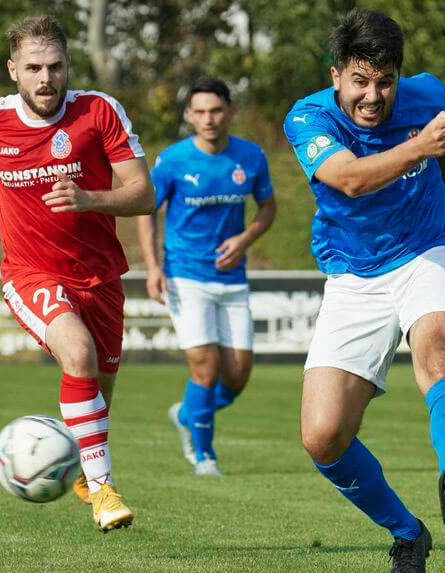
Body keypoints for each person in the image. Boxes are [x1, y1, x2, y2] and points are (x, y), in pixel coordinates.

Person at [0, 15, 152, 532]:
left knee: (97, 391)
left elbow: (143, 193)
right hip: (30, 273)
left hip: (100, 276)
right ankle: (102, 491)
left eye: (55, 66)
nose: (46, 78)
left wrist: (89, 199)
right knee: (77, 352)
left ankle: (81, 469)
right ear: (14, 70)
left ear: (67, 65)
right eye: (33, 67)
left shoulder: (99, 112)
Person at [283, 8, 445, 572]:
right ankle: (409, 533)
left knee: (437, 355)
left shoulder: (430, 94)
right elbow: (349, 179)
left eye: (385, 81)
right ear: (336, 74)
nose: (373, 95)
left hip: (427, 251)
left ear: (399, 76)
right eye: (360, 81)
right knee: (323, 438)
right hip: (353, 275)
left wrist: (433, 183)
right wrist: (421, 149)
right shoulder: (307, 119)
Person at [137, 77, 277, 477]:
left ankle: (187, 413)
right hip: (186, 275)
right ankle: (204, 455)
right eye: (199, 112)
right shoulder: (173, 160)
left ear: (231, 112)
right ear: (188, 116)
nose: (208, 119)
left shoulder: (250, 157)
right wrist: (152, 266)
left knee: (237, 377)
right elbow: (147, 209)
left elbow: (268, 207)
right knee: (205, 367)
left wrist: (245, 238)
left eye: (216, 110)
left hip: (232, 279)